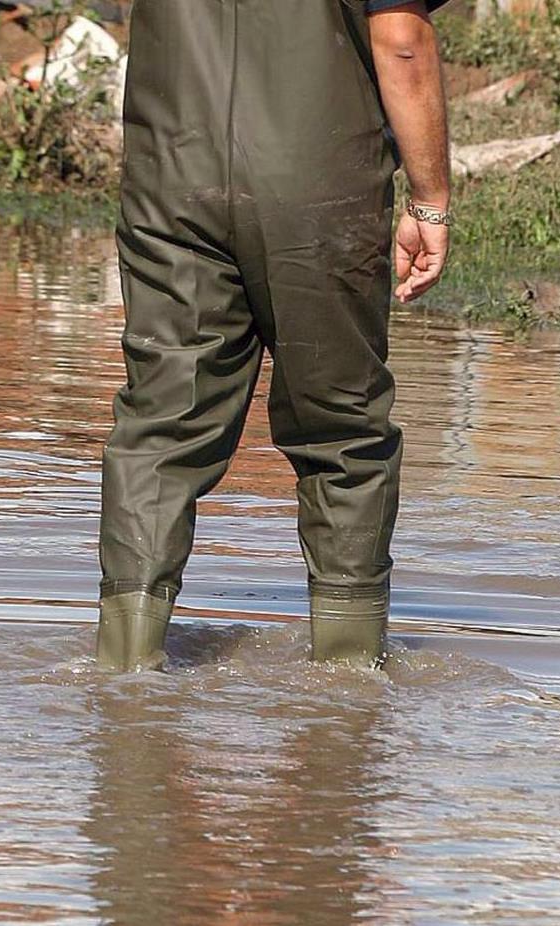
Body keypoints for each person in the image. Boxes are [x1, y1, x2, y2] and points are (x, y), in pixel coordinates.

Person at [96, 0, 453, 670]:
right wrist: (431, 199)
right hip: (318, 181)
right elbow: (401, 41)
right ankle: (347, 691)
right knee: (342, 433)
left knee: (159, 426)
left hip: (170, 174)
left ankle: (122, 669)